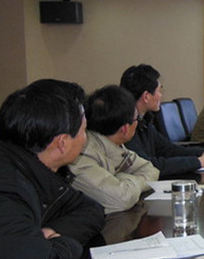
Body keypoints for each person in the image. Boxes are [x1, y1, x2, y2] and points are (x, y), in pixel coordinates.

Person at [0, 80, 104, 259]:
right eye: (84, 131)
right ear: (62, 143)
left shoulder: (30, 168)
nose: (85, 139)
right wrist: (60, 244)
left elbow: (90, 209)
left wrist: (44, 240)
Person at [120, 64, 204, 177]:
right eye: (159, 91)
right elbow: (148, 166)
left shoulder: (144, 121)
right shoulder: (124, 127)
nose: (161, 95)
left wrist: (203, 153)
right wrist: (198, 162)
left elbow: (169, 150)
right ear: (146, 96)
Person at [69, 85, 160, 214]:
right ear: (125, 128)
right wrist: (127, 180)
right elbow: (123, 198)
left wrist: (120, 179)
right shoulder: (81, 155)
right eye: (137, 119)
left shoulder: (114, 146)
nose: (138, 123)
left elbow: (151, 170)